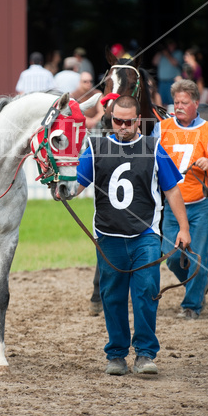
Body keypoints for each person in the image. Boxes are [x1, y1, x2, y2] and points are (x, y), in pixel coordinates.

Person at [75, 95, 191, 375]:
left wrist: (184, 228)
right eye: (118, 121)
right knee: (112, 297)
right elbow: (76, 186)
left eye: (129, 121)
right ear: (111, 119)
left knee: (146, 293)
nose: (123, 126)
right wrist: (60, 187)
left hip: (145, 236)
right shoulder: (96, 147)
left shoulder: (153, 148)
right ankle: (116, 354)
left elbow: (172, 190)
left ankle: (145, 354)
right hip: (107, 236)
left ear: (138, 120)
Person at [152, 79, 208, 320]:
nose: (179, 106)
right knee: (171, 254)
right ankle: (196, 285)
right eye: (176, 102)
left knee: (198, 255)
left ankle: (192, 305)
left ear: (197, 103)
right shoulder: (161, 129)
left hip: (201, 204)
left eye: (185, 102)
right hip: (173, 206)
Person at [152, 38, 183, 107]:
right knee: (162, 103)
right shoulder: (161, 54)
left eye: (171, 44)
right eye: (168, 45)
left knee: (172, 103)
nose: (169, 46)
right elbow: (154, 62)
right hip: (162, 82)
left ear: (174, 45)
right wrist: (160, 52)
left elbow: (175, 63)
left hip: (172, 81)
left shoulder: (178, 53)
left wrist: (167, 54)